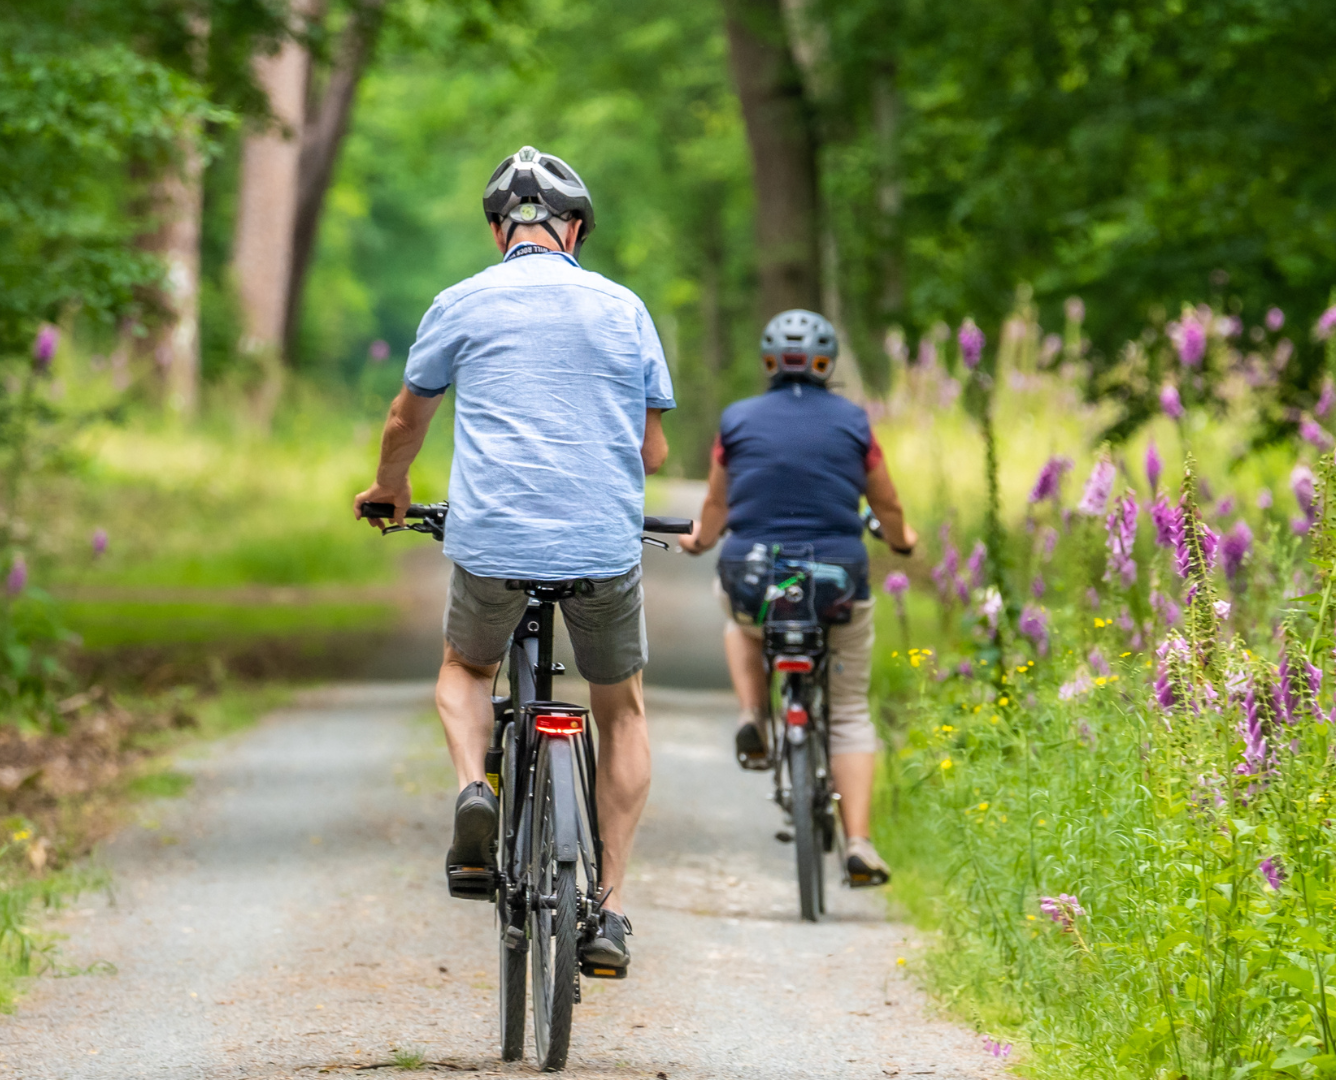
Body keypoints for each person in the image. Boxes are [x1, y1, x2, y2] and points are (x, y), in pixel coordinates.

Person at [353, 146, 673, 974]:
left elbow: (404, 420)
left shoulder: (460, 301)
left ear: (500, 230)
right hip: (602, 543)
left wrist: (392, 489)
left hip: (493, 540)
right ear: (575, 230)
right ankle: (610, 911)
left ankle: (474, 790)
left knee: (465, 669)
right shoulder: (624, 307)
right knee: (623, 709)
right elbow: (654, 447)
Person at [677, 309, 916, 887]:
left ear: (767, 363)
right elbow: (886, 505)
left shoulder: (736, 420)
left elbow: (716, 506)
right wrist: (904, 541)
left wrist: (701, 540)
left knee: (737, 617)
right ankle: (858, 842)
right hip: (837, 580)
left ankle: (753, 714)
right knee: (852, 710)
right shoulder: (855, 422)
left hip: (754, 578)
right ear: (826, 363)